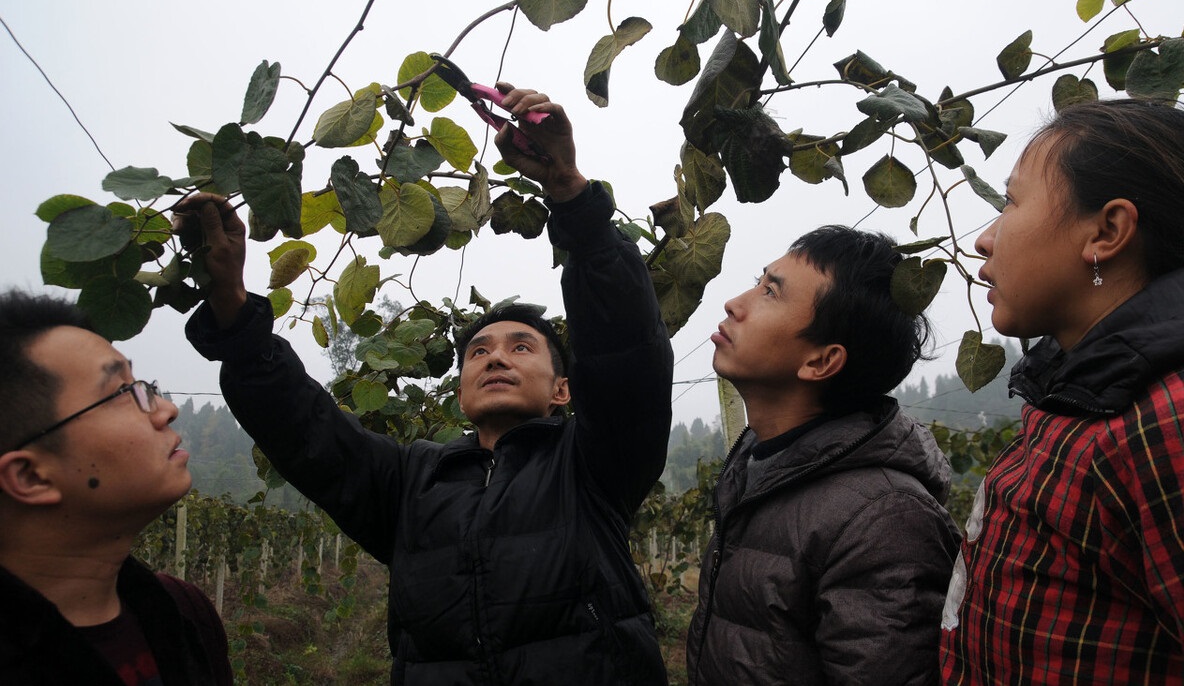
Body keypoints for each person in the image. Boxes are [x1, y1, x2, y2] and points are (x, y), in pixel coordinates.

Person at [177, 86, 674, 684]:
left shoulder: (593, 466)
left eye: (522, 347)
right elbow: (305, 431)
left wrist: (569, 190)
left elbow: (624, 352)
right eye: (478, 351)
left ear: (563, 390)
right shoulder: (411, 482)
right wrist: (231, 302)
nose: (495, 358)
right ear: (461, 391)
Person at [940, 99, 1184, 682]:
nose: (984, 240)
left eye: (1011, 203)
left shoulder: (1166, 421)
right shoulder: (1077, 393)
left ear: (1106, 231)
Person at [686, 225, 962, 685]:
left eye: (770, 293)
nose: (736, 303)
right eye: (759, 282)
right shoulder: (758, 470)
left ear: (820, 361)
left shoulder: (884, 520)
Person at [0, 291, 232, 685]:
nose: (167, 409)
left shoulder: (185, 614)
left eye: (143, 385)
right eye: (122, 393)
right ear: (30, 477)